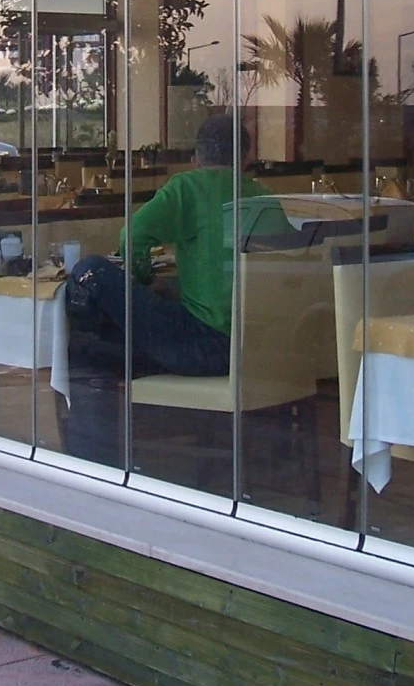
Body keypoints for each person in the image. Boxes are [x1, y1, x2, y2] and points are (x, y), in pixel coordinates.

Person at [61, 115, 289, 461]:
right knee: (102, 343)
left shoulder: (188, 187)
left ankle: (93, 463)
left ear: (195, 159)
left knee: (89, 275)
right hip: (258, 349)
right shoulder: (266, 199)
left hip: (204, 346)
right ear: (247, 159)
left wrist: (145, 279)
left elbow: (131, 235)